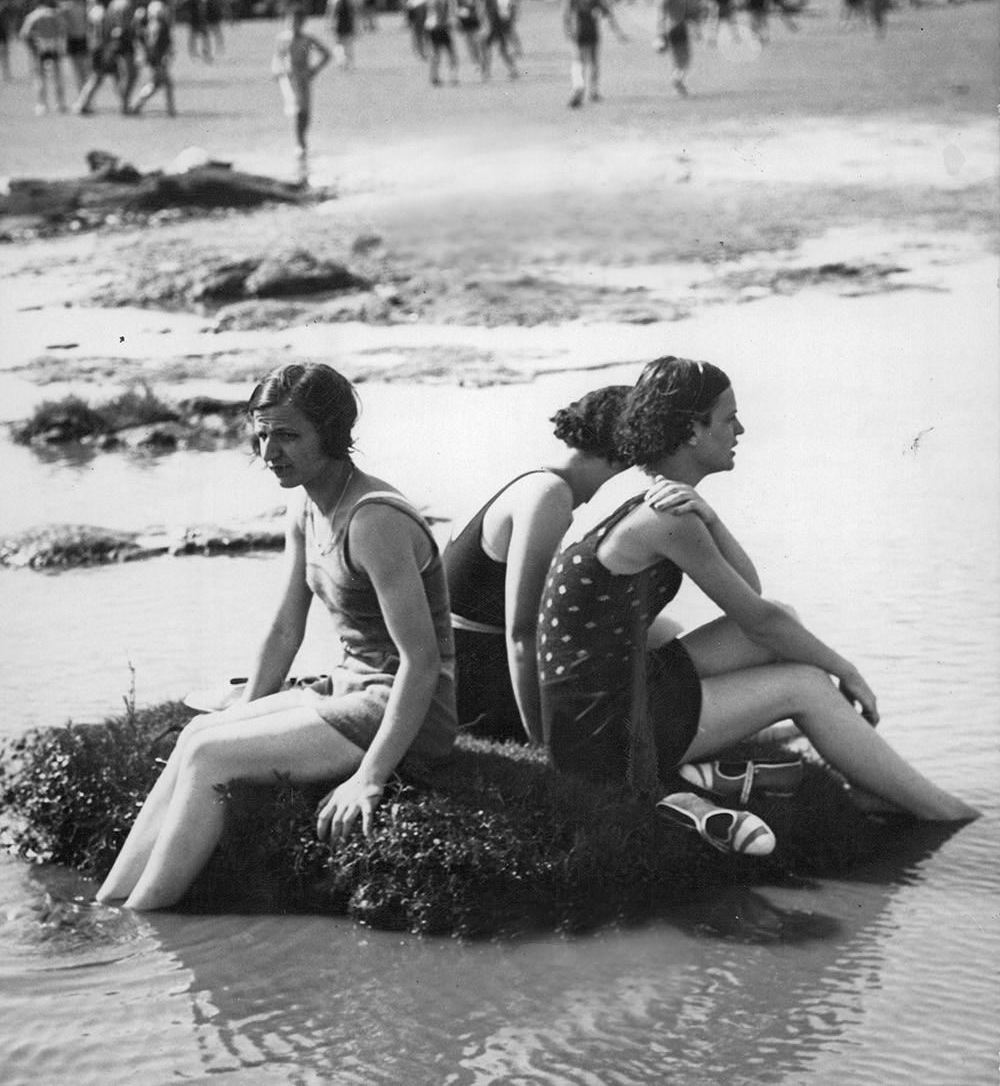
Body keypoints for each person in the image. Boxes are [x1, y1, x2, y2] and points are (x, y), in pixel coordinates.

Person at [538, 356, 978, 849]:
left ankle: (876, 783)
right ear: (692, 430)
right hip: (606, 734)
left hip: (611, 693)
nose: (740, 430)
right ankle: (945, 814)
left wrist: (712, 518)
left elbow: (751, 591)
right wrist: (846, 669)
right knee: (805, 683)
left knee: (785, 620)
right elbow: (757, 621)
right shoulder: (664, 519)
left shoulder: (659, 502)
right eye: (729, 419)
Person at [96, 362, 457, 911]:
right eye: (262, 435)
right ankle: (110, 903)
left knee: (212, 756)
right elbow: (287, 626)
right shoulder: (305, 505)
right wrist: (247, 711)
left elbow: (422, 661)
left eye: (287, 435)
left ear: (332, 433)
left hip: (406, 710)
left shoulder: (374, 522)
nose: (269, 452)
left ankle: (143, 919)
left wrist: (370, 776)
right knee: (200, 733)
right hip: (348, 689)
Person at [444, 386, 637, 744]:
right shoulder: (549, 493)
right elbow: (523, 631)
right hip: (475, 683)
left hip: (456, 661)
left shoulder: (528, 474)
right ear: (619, 458)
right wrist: (542, 737)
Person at [270, 5, 331, 184]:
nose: (293, 24)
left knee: (305, 112)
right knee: (296, 109)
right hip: (289, 79)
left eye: (297, 21)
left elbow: (326, 54)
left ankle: (303, 140)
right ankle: (299, 144)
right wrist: (276, 70)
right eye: (291, 20)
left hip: (303, 78)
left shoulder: (307, 39)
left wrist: (314, 70)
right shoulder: (283, 38)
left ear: (303, 22)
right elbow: (278, 56)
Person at [561, 0, 626, 108]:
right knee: (594, 60)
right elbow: (607, 12)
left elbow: (566, 14)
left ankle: (578, 85)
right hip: (592, 27)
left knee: (578, 60)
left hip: (578, 27)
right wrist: (618, 32)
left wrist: (567, 31)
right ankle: (594, 91)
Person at [19, 0, 68, 114]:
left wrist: (31, 47)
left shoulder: (33, 16)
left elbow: (24, 34)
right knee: (57, 77)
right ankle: (60, 104)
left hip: (40, 48)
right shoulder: (55, 14)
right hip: (54, 47)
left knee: (40, 77)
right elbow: (64, 29)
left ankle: (42, 105)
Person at [653, 0, 695, 97]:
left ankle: (679, 83)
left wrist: (659, 33)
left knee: (676, 58)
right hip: (679, 25)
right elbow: (689, 9)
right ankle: (678, 78)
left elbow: (660, 14)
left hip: (667, 27)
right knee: (685, 58)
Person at [130, 0, 176, 116]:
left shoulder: (155, 25)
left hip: (156, 59)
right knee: (163, 84)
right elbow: (153, 45)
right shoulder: (157, 26)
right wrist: (160, 57)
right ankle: (170, 110)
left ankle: (136, 106)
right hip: (157, 60)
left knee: (156, 85)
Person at [423, 0, 459, 87]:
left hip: (431, 26)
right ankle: (453, 77)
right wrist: (445, 23)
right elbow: (442, 9)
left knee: (435, 53)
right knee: (451, 52)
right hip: (442, 26)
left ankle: (434, 76)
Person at [325, 0, 357, 69]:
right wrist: (355, 24)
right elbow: (353, 11)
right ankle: (350, 62)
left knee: (338, 43)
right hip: (348, 22)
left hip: (338, 22)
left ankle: (341, 61)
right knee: (348, 43)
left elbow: (331, 11)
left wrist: (329, 23)